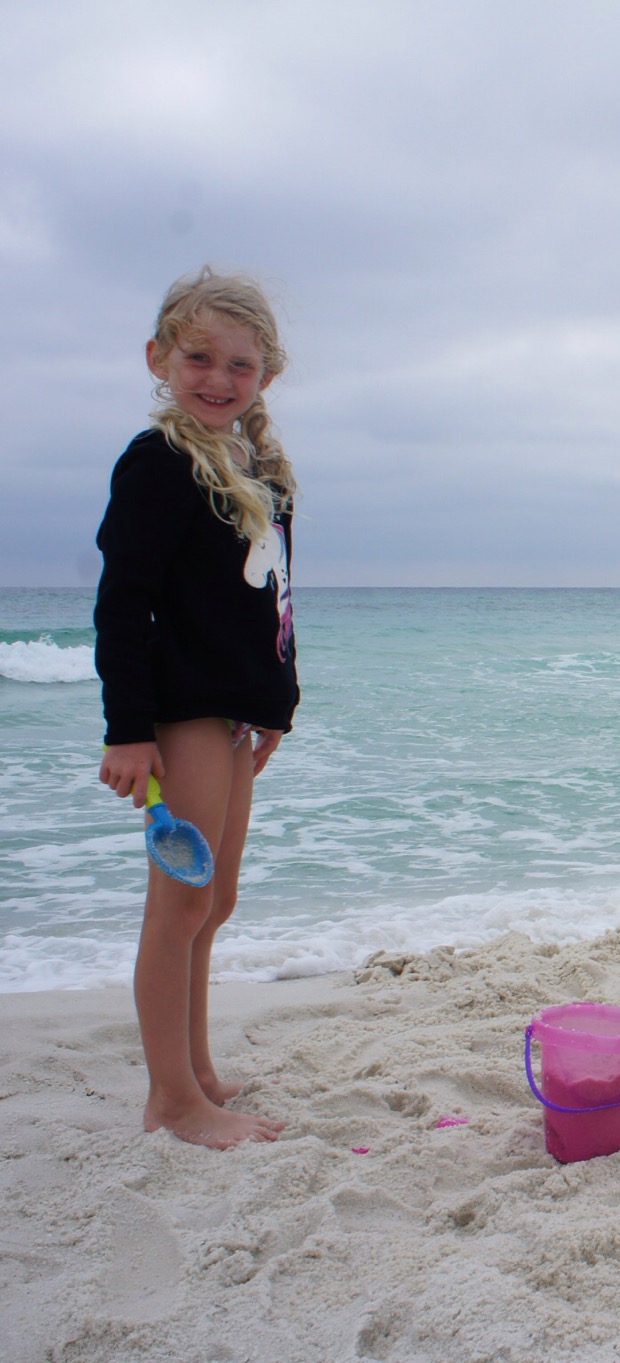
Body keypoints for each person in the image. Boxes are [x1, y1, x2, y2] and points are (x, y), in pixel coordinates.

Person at [95, 267, 299, 1147]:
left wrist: (278, 701)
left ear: (266, 374)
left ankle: (199, 1072)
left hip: (232, 715)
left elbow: (272, 600)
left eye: (240, 364)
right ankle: (172, 1100)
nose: (219, 378)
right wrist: (127, 730)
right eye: (200, 358)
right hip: (181, 714)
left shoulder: (256, 466)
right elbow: (122, 602)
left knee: (215, 901)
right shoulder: (159, 463)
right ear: (160, 358)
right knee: (178, 906)